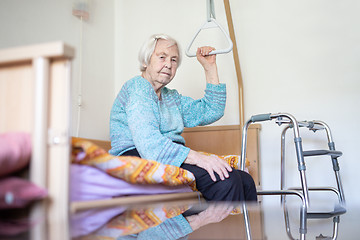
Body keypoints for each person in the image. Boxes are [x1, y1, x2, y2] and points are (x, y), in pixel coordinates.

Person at [109, 33, 257, 202]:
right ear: (145, 61)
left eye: (174, 60)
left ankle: (245, 228)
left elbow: (211, 110)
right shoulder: (137, 88)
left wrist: (210, 68)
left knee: (244, 181)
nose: (168, 64)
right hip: (137, 158)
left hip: (167, 157)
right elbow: (150, 145)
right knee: (226, 181)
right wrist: (200, 159)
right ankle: (219, 227)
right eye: (162, 57)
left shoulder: (170, 97)